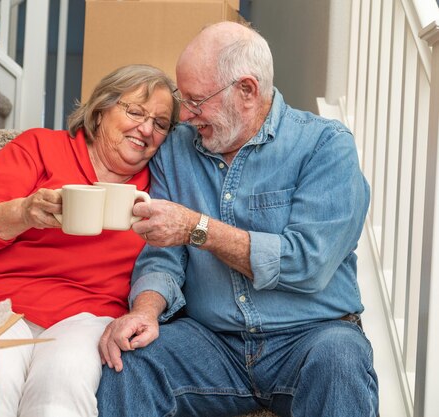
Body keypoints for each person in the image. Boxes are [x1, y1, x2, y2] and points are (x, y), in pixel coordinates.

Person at [97, 22, 379, 417]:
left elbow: (306, 263)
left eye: (197, 100)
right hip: (210, 342)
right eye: (184, 99)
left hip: (311, 336)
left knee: (341, 360)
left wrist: (199, 228)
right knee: (131, 361)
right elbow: (162, 253)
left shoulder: (325, 146)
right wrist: (145, 310)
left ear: (247, 91)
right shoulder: (177, 148)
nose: (187, 115)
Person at [0, 64, 178, 417]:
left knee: (62, 390)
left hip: (87, 317)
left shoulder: (160, 187)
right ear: (100, 111)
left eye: (160, 124)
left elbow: (169, 263)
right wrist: (22, 212)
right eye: (135, 111)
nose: (146, 129)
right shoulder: (39, 147)